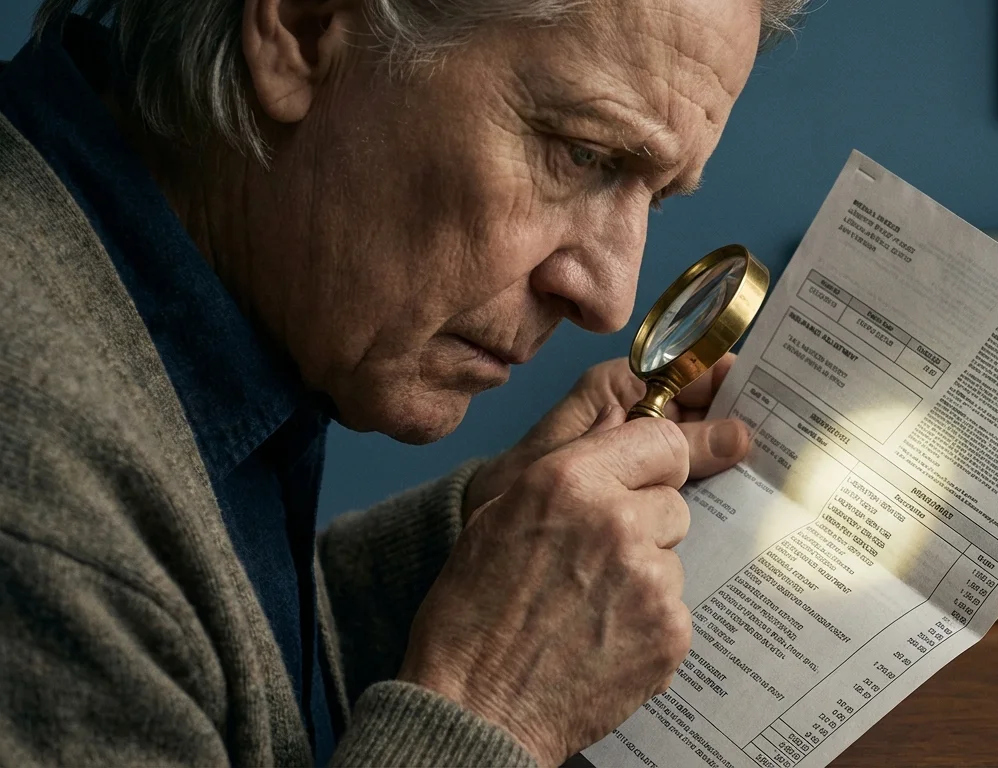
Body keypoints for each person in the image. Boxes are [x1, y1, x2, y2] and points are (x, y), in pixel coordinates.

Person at [0, 0, 805, 763]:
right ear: (304, 30)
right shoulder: (38, 493)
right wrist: (493, 712)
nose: (609, 297)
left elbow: (208, 680)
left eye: (655, 196)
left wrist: (481, 553)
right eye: (583, 153)